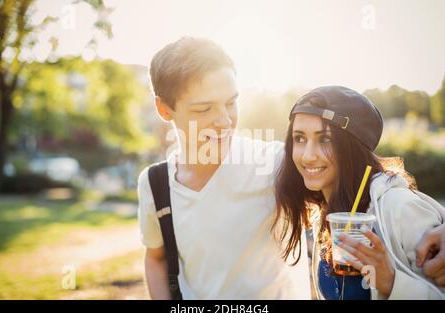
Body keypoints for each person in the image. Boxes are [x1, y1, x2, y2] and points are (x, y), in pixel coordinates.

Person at [137, 37, 310, 299]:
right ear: (164, 109)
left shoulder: (273, 162)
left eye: (230, 103)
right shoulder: (155, 184)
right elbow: (157, 258)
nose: (224, 120)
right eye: (203, 109)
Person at [274, 85, 445, 299]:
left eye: (325, 139)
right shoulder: (328, 212)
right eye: (299, 138)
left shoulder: (399, 207)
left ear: (351, 146)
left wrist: (391, 283)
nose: (308, 156)